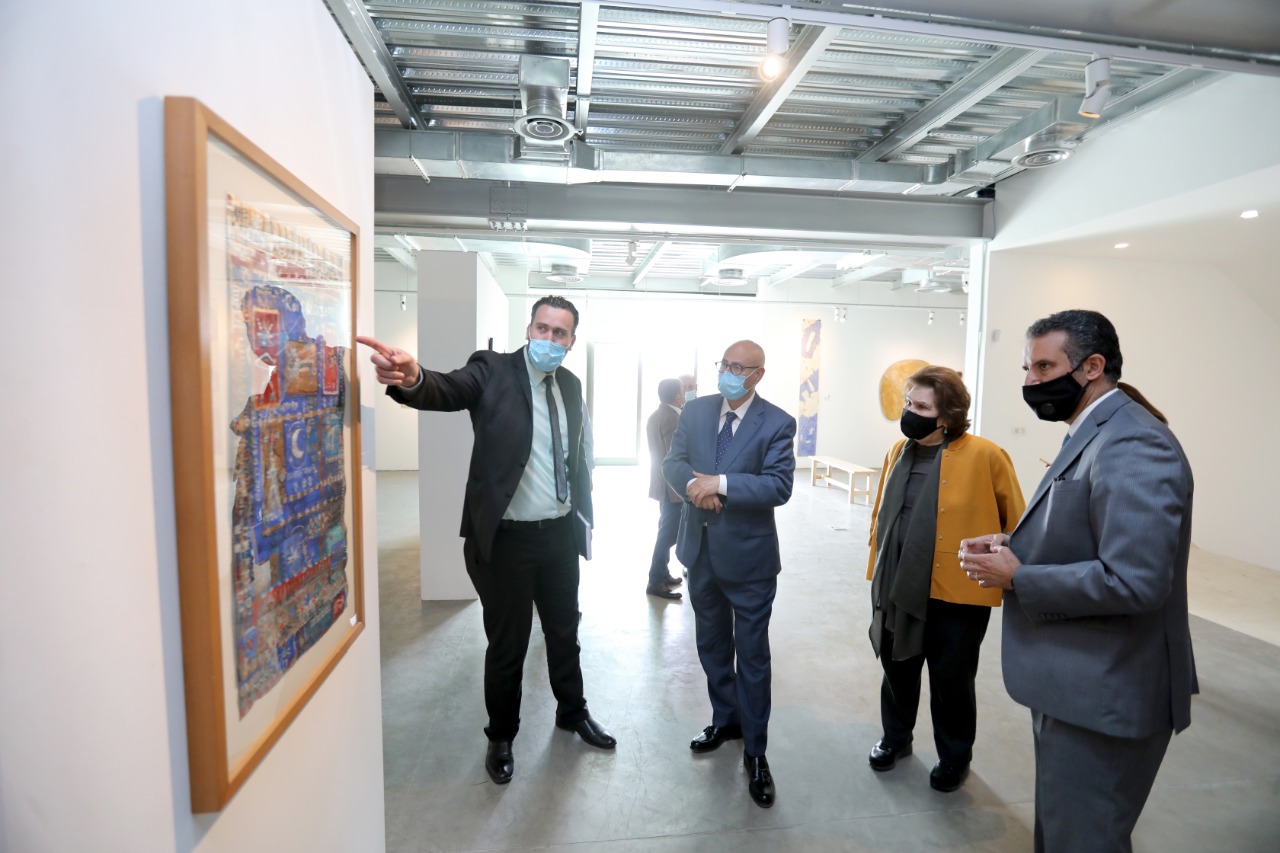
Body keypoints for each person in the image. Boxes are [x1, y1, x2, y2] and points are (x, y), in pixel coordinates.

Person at [960, 309, 1196, 852]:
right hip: (1075, 682)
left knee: (1083, 839)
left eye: (1044, 367)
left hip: (1107, 692)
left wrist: (1019, 577)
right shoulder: (1093, 431)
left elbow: (1135, 580)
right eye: (1027, 368)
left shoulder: (1134, 442)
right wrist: (1012, 545)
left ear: (1092, 367)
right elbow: (1085, 532)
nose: (1030, 381)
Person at [356, 295, 616, 787]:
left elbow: (576, 455)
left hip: (559, 536)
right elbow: (447, 388)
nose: (550, 339)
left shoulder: (570, 384)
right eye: (543, 328)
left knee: (565, 632)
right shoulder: (493, 370)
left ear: (571, 341)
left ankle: (572, 711)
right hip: (507, 542)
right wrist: (413, 378)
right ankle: (501, 735)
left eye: (560, 333)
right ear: (529, 329)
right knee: (507, 645)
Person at [864, 366, 1025, 792]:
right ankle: (896, 738)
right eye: (908, 403)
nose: (909, 413)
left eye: (921, 407)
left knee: (951, 679)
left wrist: (1010, 567)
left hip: (959, 591)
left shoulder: (986, 456)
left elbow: (1019, 524)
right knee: (897, 668)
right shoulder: (898, 451)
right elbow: (881, 514)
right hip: (898, 583)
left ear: (947, 415)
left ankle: (954, 757)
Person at [662, 341, 796, 808]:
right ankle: (726, 720)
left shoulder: (777, 423)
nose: (729, 373)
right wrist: (693, 488)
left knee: (752, 657)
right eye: (725, 365)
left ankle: (756, 752)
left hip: (749, 562)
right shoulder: (696, 411)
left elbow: (779, 485)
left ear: (758, 375)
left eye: (739, 368)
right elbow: (673, 463)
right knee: (713, 646)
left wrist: (719, 485)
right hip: (699, 553)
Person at [645, 378, 685, 600]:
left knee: (665, 529)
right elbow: (675, 456)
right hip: (672, 489)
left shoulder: (657, 415)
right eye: (684, 391)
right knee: (667, 534)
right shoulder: (672, 418)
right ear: (677, 397)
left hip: (662, 485)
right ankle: (655, 581)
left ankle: (663, 573)